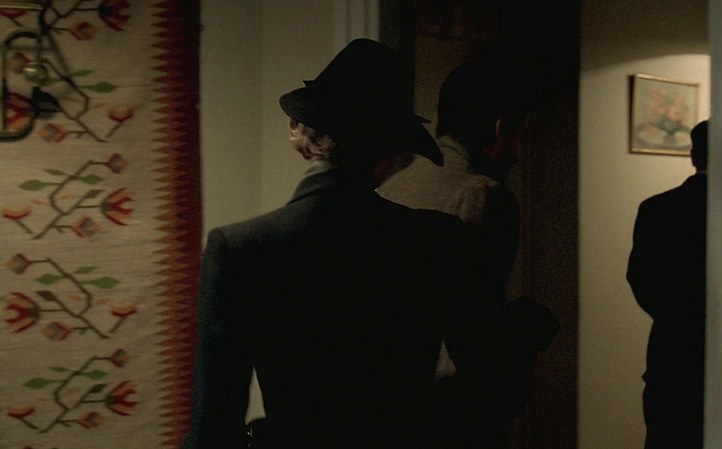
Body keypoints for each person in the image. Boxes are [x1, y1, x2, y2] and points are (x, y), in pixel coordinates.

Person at [182, 38, 498, 449]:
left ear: (302, 136)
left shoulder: (241, 249)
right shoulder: (436, 238)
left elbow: (214, 426)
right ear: (388, 157)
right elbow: (480, 384)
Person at [377, 54, 556, 447]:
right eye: (518, 137)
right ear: (500, 128)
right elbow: (476, 329)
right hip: (451, 407)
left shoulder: (393, 185)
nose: (517, 152)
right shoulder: (483, 196)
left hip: (387, 399)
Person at [626, 119, 709, 449]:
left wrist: (674, 316)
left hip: (672, 349)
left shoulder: (657, 208)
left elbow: (640, 279)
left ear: (693, 155)